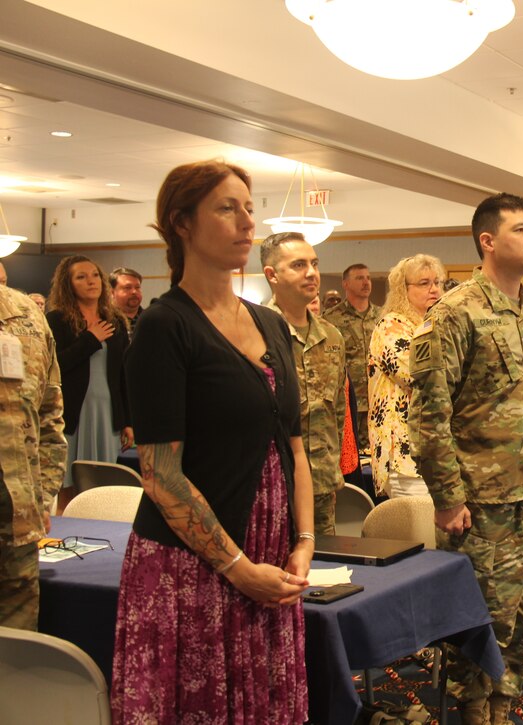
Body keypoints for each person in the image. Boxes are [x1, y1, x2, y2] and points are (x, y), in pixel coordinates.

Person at [111, 160, 312, 722]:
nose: (247, 221)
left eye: (249, 207)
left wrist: (305, 540)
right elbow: (160, 474)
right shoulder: (164, 327)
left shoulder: (270, 324)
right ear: (182, 223)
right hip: (195, 569)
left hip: (271, 563)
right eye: (227, 208)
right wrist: (238, 568)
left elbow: (293, 447)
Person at [409, 193, 523, 725]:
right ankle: (470, 707)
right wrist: (448, 498)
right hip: (482, 499)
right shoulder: (453, 313)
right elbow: (429, 417)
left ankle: (504, 700)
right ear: (488, 241)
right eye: (521, 229)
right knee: (484, 615)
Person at [262, 231, 346, 535]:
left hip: (321, 484)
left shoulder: (331, 336)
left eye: (314, 263)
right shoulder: (254, 332)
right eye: (298, 265)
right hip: (272, 488)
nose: (311, 273)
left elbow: (337, 409)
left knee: (326, 572)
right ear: (271, 274)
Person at [0, 285, 66, 630]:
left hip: (17, 519)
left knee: (16, 653)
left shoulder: (26, 315)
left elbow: (49, 416)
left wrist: (40, 496)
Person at [46, 255, 132, 512]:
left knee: (102, 483)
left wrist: (128, 420)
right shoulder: (57, 320)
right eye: (81, 277)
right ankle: (65, 531)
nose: (91, 281)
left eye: (94, 275)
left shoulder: (114, 320)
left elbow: (123, 374)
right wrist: (90, 340)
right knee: (69, 484)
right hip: (73, 413)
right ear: (68, 284)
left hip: (106, 413)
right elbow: (54, 367)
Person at [368, 253, 445, 498]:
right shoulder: (392, 326)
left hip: (434, 450)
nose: (433, 289)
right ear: (404, 289)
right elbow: (420, 376)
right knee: (419, 532)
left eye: (437, 282)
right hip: (404, 454)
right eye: (424, 283)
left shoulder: (434, 324)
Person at [324, 263, 382, 453]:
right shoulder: (331, 320)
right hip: (348, 403)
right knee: (349, 456)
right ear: (346, 284)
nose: (366, 282)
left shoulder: (383, 316)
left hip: (378, 401)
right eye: (359, 278)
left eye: (368, 277)